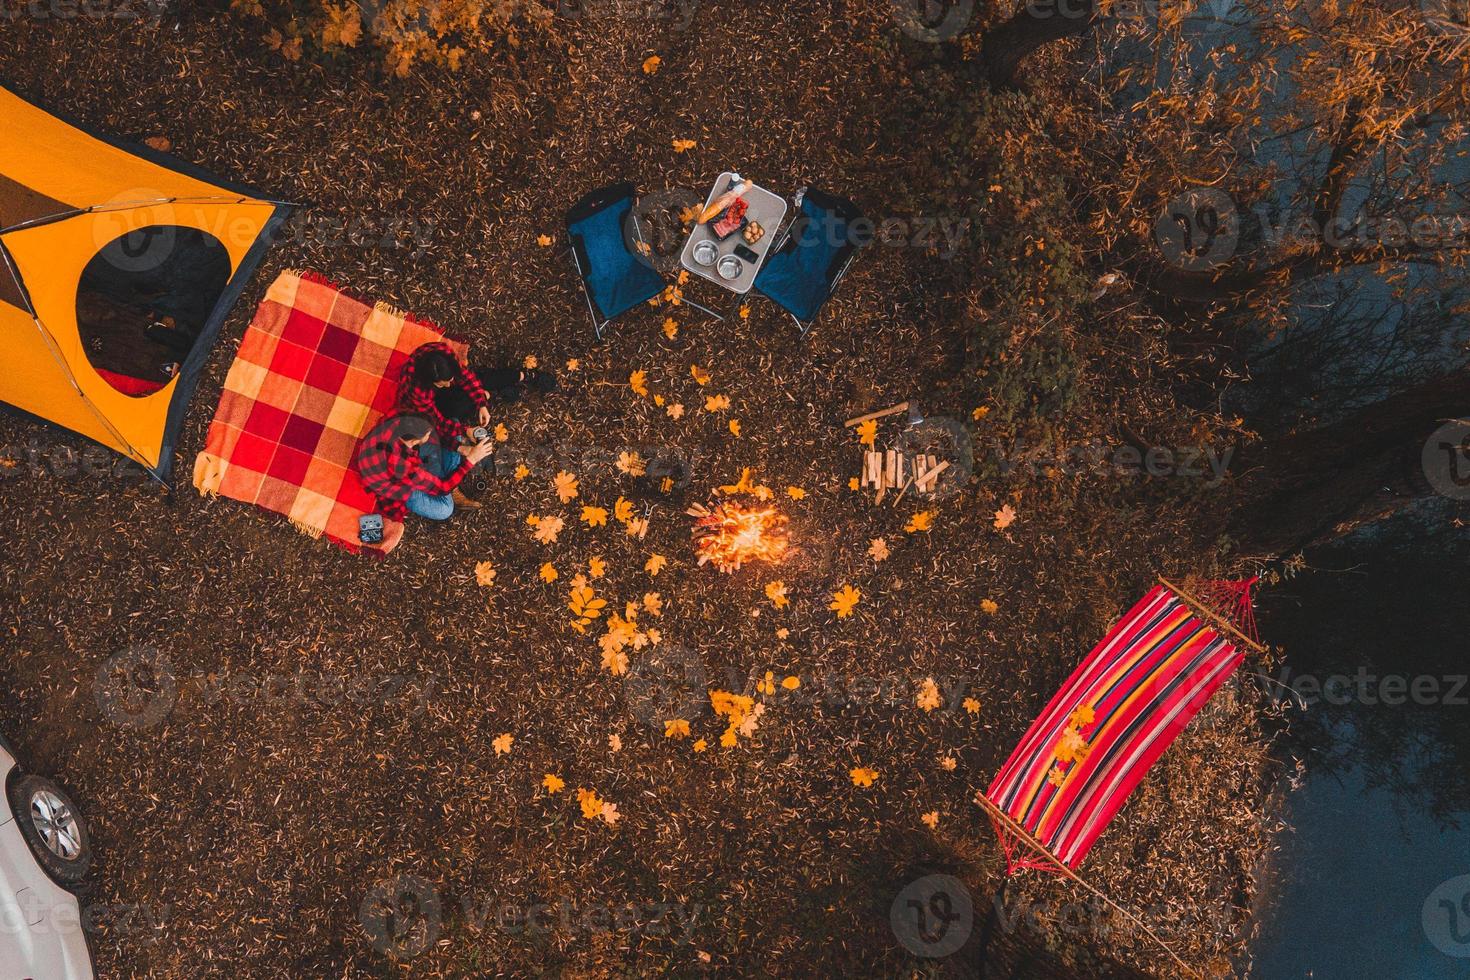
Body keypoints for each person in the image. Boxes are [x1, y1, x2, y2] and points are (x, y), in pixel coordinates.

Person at [399, 342, 556, 444]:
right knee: (456, 408)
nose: (448, 385)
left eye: (449, 379)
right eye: (443, 383)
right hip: (434, 402)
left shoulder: (442, 352)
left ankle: (523, 375)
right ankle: (495, 394)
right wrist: (466, 430)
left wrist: (481, 404)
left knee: (479, 379)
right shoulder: (417, 390)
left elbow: (465, 376)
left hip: (439, 386)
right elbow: (436, 420)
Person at [353, 412, 493, 522]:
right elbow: (443, 488)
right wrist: (471, 459)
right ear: (415, 441)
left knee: (453, 429)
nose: (430, 433)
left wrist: (461, 448)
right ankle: (449, 486)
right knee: (445, 509)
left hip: (387, 457)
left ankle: (445, 481)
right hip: (396, 484)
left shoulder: (399, 418)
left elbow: (436, 427)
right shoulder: (402, 465)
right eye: (427, 434)